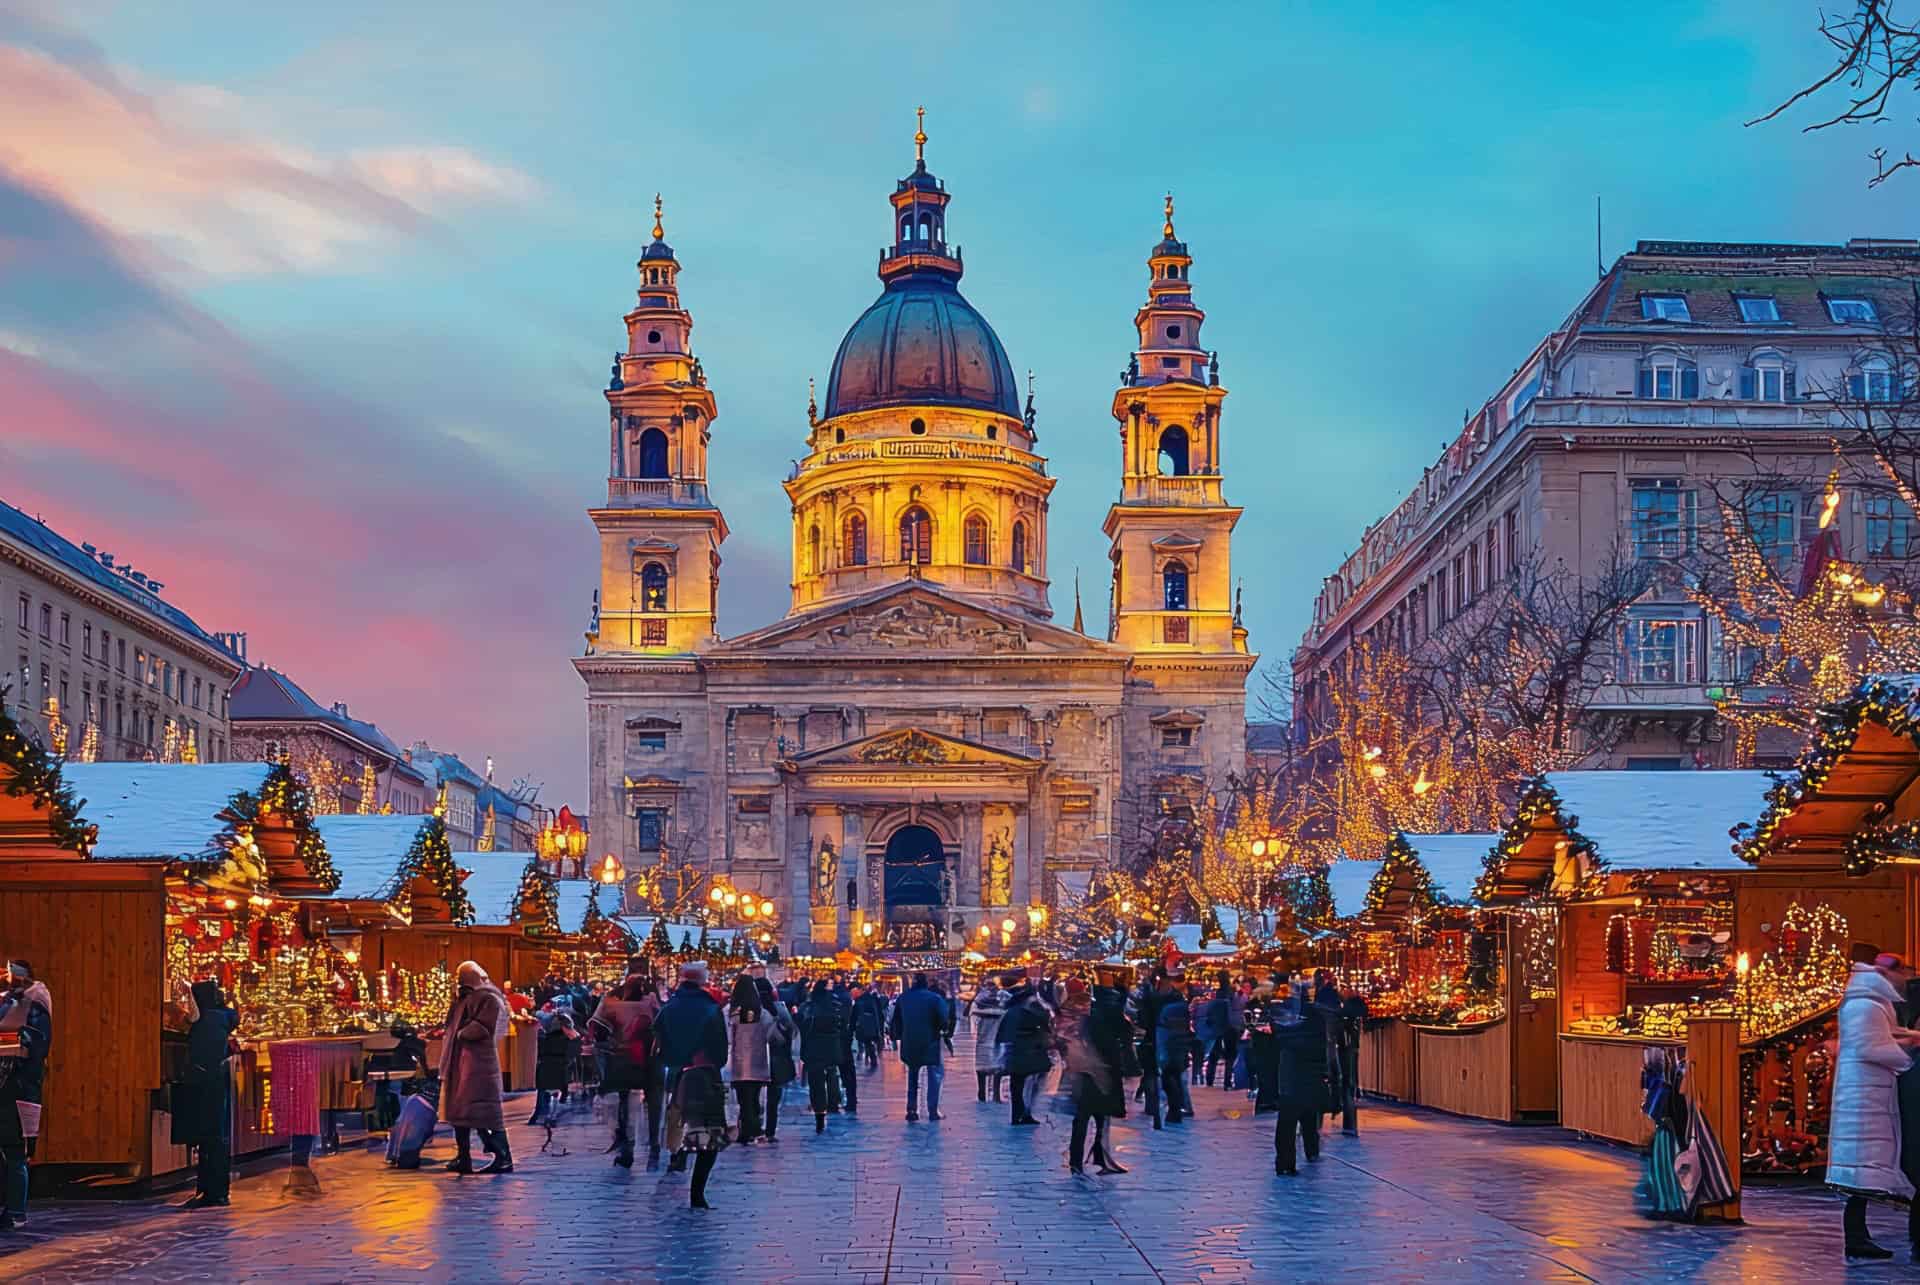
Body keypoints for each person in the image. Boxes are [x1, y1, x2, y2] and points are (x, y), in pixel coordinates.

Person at [1829, 953, 1920, 1259]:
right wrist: (1907, 1058)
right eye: (1903, 972)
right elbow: (1871, 1046)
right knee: (1860, 1170)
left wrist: (1908, 1037)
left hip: (1868, 1092)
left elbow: (1882, 1036)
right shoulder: (1865, 1004)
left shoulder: (1869, 1001)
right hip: (1863, 1097)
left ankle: (1858, 1236)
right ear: (1885, 973)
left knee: (1863, 1170)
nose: (1905, 978)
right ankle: (1855, 1237)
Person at [655, 961, 730, 1209]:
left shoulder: (669, 1007)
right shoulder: (709, 1008)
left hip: (676, 1073)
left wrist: (672, 1059)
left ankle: (677, 1157)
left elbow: (657, 1037)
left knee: (678, 1121)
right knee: (708, 1134)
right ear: (702, 980)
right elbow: (720, 1047)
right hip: (703, 1074)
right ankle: (697, 1193)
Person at [439, 960, 512, 1175]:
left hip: (478, 1064)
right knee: (460, 1112)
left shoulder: (486, 997)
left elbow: (482, 1027)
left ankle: (502, 1156)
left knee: (482, 1111)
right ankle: (464, 1157)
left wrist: (462, 1033)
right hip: (461, 1062)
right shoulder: (464, 998)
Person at [590, 957, 662, 1169]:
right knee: (654, 1101)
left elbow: (598, 1026)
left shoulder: (613, 997)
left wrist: (608, 1043)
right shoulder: (653, 997)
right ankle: (654, 1143)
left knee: (623, 1101)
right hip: (650, 1058)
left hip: (621, 1057)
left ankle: (626, 1145)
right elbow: (663, 1020)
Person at [174, 978, 237, 1209]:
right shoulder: (222, 1018)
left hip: (205, 1081)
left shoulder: (206, 1021)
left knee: (207, 1135)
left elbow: (202, 1052)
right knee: (215, 1136)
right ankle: (216, 1190)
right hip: (217, 1080)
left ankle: (210, 1191)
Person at [1068, 967, 1132, 1175]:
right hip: (1103, 1067)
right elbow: (1126, 1032)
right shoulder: (1111, 1009)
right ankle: (1101, 1157)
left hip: (1086, 1068)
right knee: (1101, 1116)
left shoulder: (1089, 1010)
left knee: (1083, 1116)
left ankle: (1077, 1160)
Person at [727, 972, 792, 1144]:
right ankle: (753, 1128)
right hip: (758, 1062)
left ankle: (746, 1129)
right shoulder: (762, 1014)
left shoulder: (729, 1012)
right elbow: (775, 1037)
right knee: (754, 1097)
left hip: (737, 1063)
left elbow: (724, 1037)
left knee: (743, 1099)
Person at [1274, 985, 1331, 1175]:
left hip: (1291, 1079)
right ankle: (1311, 1150)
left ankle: (1285, 1163)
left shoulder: (1287, 1026)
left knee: (1287, 1123)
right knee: (1309, 1116)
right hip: (1310, 1077)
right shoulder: (1317, 1023)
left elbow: (1280, 1040)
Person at [890, 973, 950, 1122]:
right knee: (934, 1076)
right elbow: (943, 1019)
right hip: (930, 1041)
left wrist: (899, 1036)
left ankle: (911, 1109)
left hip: (910, 1041)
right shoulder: (934, 999)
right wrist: (943, 1029)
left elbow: (896, 1020)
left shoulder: (903, 998)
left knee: (912, 1076)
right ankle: (933, 1110)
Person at [996, 971, 1053, 1126]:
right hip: (1028, 1049)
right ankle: (1024, 1113)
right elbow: (1042, 1019)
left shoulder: (1013, 1007)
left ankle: (1019, 1115)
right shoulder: (1031, 1005)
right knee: (1027, 1083)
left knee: (1018, 1084)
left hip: (1017, 1049)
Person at [799, 978, 844, 1134]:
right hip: (831, 1048)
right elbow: (843, 1025)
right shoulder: (835, 1006)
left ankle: (819, 1114)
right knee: (831, 1074)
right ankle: (833, 1103)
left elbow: (802, 1026)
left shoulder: (808, 1007)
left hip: (813, 1049)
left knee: (816, 1083)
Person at [756, 974, 797, 1142]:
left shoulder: (750, 1011)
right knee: (773, 1098)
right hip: (777, 1059)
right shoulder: (779, 1009)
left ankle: (751, 1127)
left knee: (751, 1096)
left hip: (755, 1059)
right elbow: (792, 1032)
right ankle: (770, 1131)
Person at [1155, 978, 1195, 1124]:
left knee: (1169, 1079)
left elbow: (1163, 1030)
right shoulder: (1182, 1007)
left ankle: (1175, 1110)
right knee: (1177, 1078)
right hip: (1180, 1047)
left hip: (1169, 1046)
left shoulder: (1166, 1008)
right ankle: (1178, 1110)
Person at [530, 1011, 579, 1126]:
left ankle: (542, 1115)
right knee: (557, 1091)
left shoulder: (544, 1038)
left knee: (547, 1091)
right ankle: (551, 1116)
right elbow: (573, 1052)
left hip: (545, 1071)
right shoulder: (567, 1040)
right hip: (558, 1071)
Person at [971, 976, 1011, 1103]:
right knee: (997, 1068)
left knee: (981, 1068)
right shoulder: (1004, 1002)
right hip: (997, 1039)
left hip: (983, 1039)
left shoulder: (979, 1002)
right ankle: (996, 1095)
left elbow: (973, 1018)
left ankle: (982, 1093)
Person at [1200, 976, 1234, 1088]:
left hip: (1214, 1032)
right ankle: (1227, 1082)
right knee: (1229, 1058)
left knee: (1213, 1057)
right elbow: (1229, 1018)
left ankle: (1209, 1080)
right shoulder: (1227, 1003)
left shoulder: (1212, 1003)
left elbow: (1208, 1018)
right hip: (1226, 1032)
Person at [852, 984, 885, 1071]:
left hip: (864, 1026)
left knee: (867, 1042)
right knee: (869, 1043)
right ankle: (871, 1058)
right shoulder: (871, 999)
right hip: (873, 1026)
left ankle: (871, 1058)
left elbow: (855, 1015)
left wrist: (852, 1027)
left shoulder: (860, 1001)